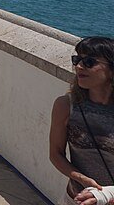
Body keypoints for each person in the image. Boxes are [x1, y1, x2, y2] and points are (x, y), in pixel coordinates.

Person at [49, 37, 114, 205]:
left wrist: (105, 195)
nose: (79, 66)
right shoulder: (66, 105)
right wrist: (81, 179)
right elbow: (56, 154)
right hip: (74, 199)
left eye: (89, 62)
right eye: (77, 60)